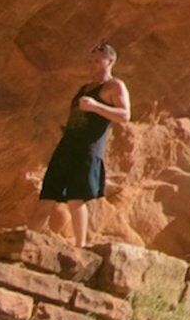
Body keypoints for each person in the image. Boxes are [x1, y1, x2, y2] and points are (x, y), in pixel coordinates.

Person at [39, 42, 131, 244]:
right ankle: (29, 237)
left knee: (76, 196)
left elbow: (125, 115)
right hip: (68, 144)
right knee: (48, 192)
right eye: (91, 61)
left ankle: (80, 246)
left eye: (97, 61)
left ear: (110, 61)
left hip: (88, 147)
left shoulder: (114, 86)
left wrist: (96, 106)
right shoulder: (84, 88)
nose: (93, 65)